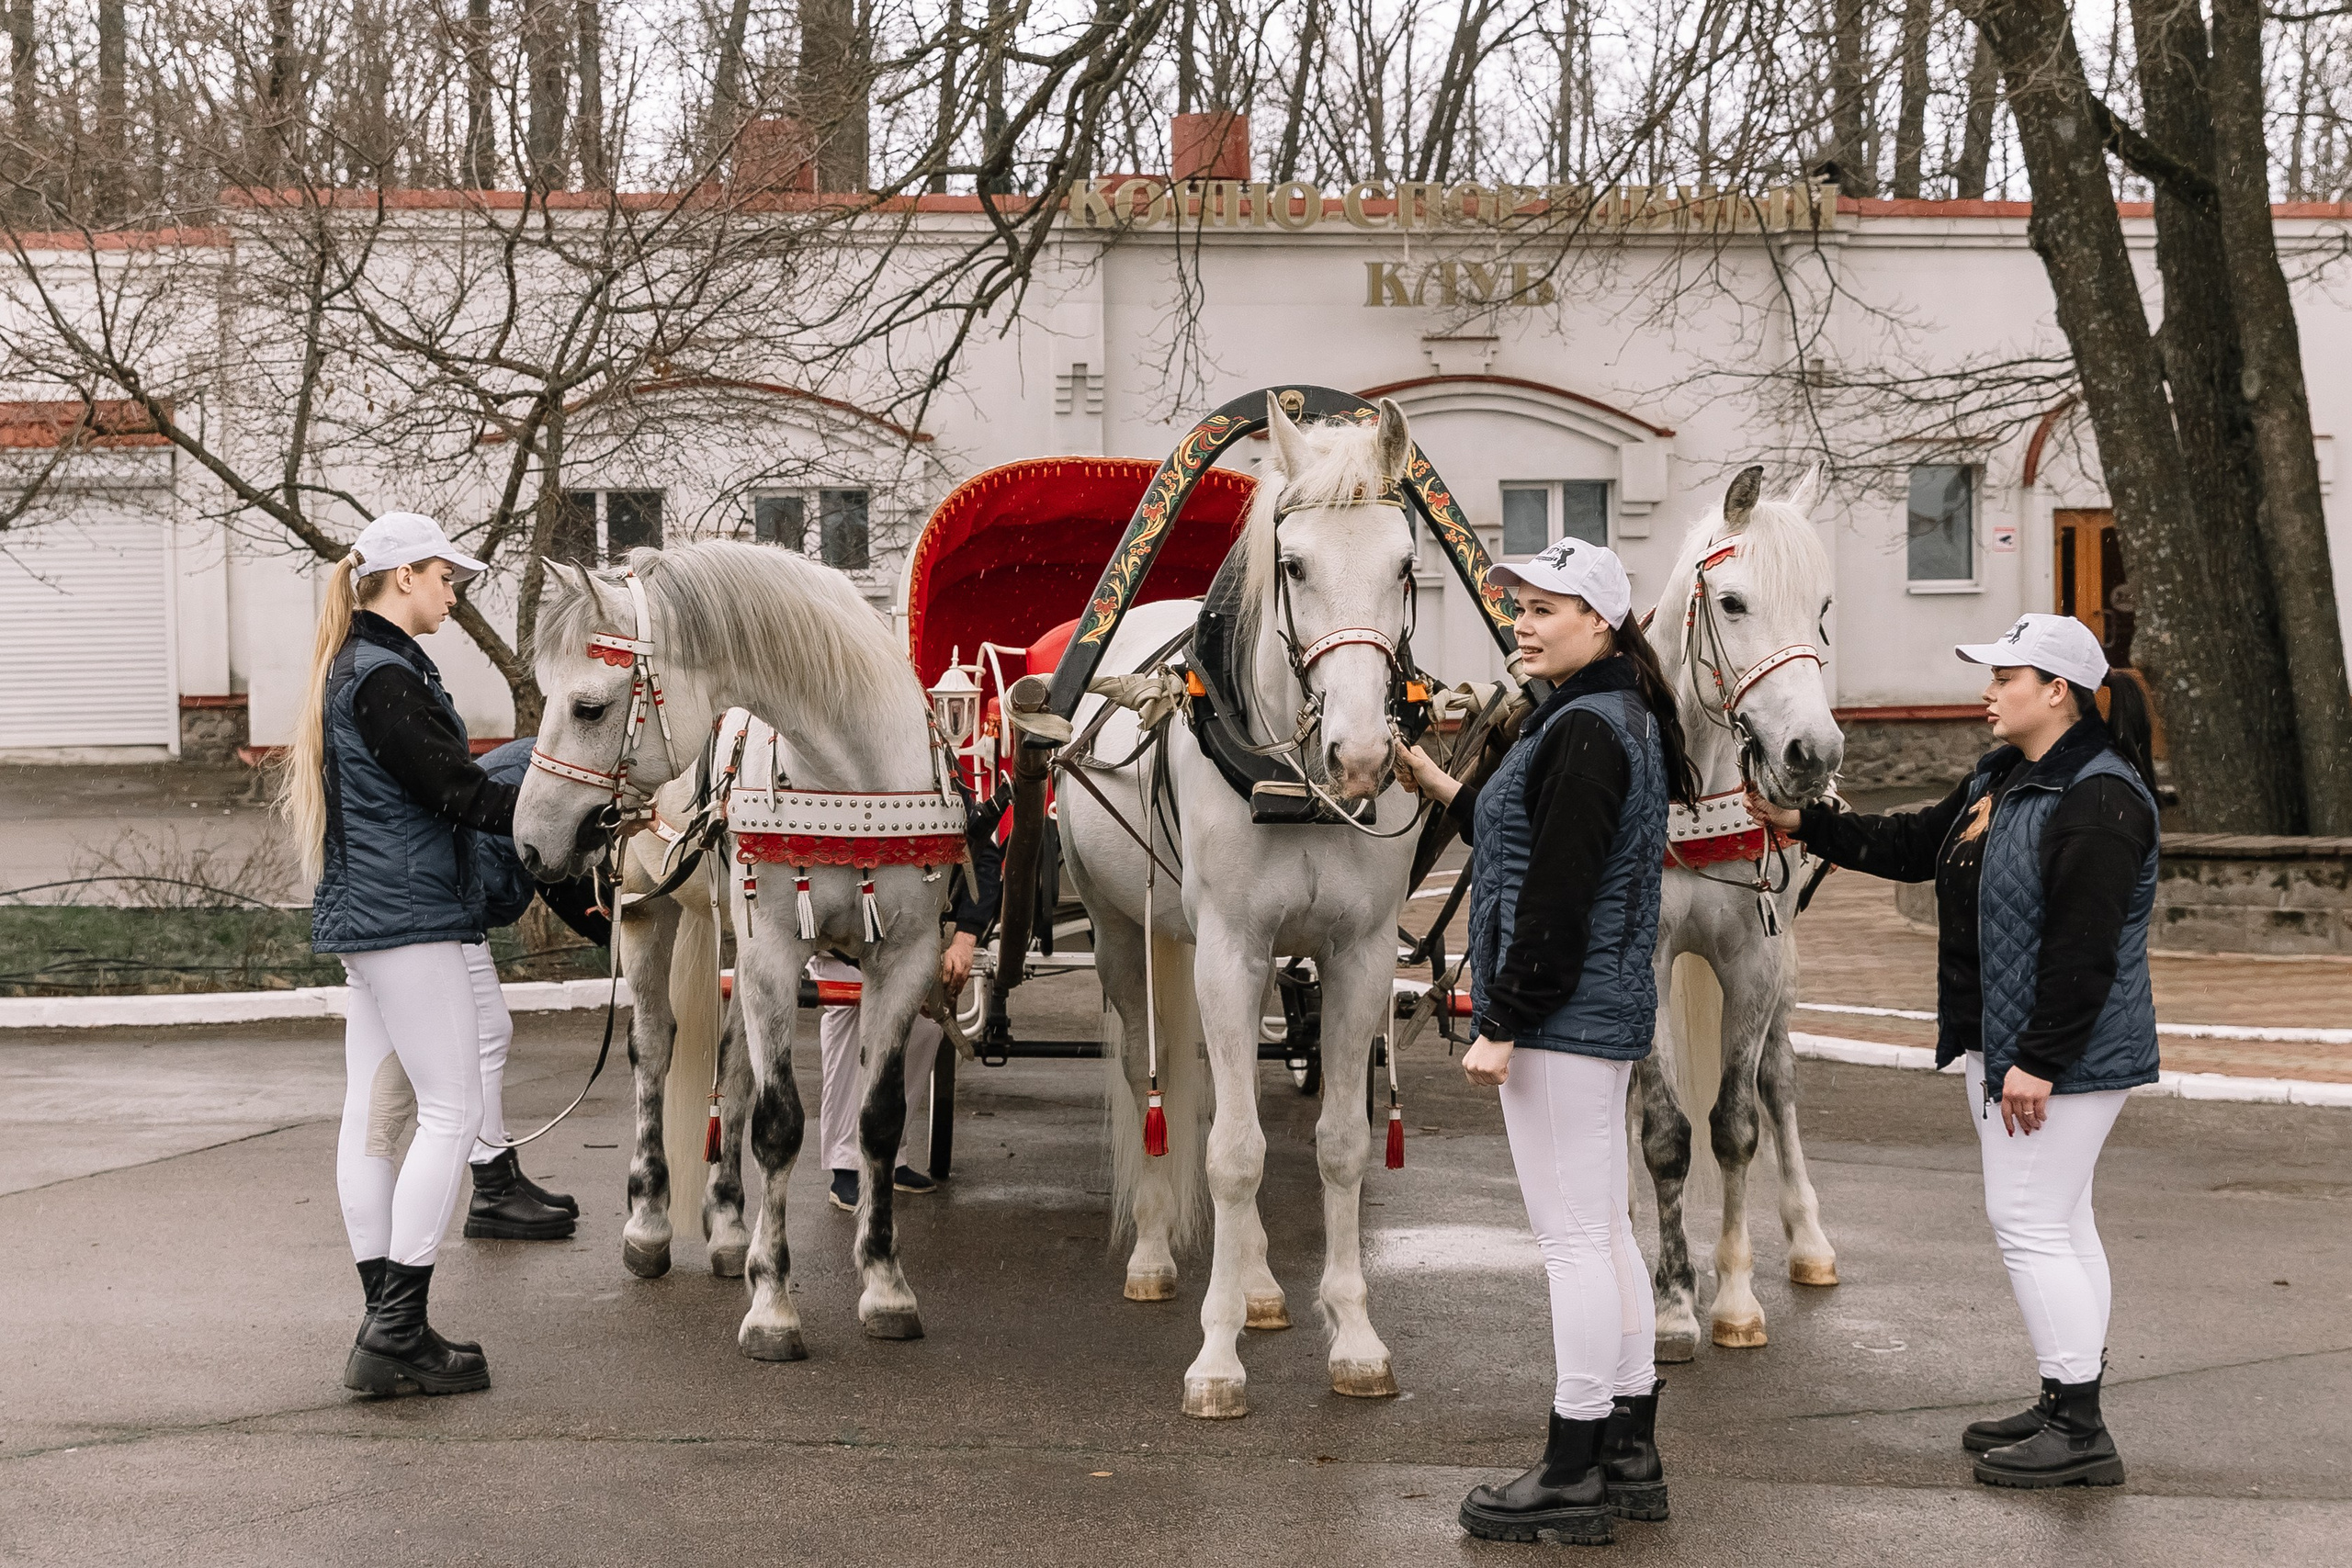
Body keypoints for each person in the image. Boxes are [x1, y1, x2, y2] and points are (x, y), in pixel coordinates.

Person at [1747, 611, 2159, 1489]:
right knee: (2062, 1220)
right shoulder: (2004, 776)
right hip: (2012, 1040)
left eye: (2004, 676)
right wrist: (1805, 822)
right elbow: (1914, 844)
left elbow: (2085, 950)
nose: (1987, 690)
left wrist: (2038, 1060)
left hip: (2062, 1055)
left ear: (2058, 690)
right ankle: (2065, 1394)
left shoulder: (2099, 796)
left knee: (2030, 1223)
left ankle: (2081, 1428)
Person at [1394, 539, 1697, 1546]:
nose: (1522, 622)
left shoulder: (1587, 730)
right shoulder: (1597, 716)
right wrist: (1438, 781)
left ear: (1600, 622)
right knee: (1603, 1230)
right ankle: (1628, 1450)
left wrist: (1505, 1020)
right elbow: (1519, 823)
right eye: (1519, 606)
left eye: (1546, 609)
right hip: (1592, 1013)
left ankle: (1570, 1469)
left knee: (1573, 1239)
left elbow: (1560, 890)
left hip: (1561, 1017)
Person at [283, 511, 518, 1398]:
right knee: (451, 1110)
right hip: (410, 920)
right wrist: (551, 812)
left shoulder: (358, 666)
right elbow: (453, 791)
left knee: (372, 1119)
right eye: (446, 578)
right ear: (407, 575)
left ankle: (386, 1318)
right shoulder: (386, 676)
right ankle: (397, 1330)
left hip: (375, 920)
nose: (454, 594)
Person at [812, 784, 1004, 1212]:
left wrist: (965, 940)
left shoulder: (939, 777)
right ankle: (846, 1166)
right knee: (849, 1032)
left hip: (907, 938)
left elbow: (983, 854)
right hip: (845, 933)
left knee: (923, 1030)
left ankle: (889, 1154)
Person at [458, 737, 613, 1240]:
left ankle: (499, 1177)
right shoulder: (566, 779)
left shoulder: (558, 761)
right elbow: (565, 880)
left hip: (452, 904)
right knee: (485, 1035)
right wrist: (621, 944)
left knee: (475, 1040)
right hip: (450, 907)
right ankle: (492, 1191)